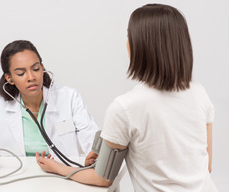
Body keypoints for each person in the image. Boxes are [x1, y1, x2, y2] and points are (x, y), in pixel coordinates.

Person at [36, 4, 218, 191]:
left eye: (129, 36)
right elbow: (206, 165)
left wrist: (56, 167)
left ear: (140, 46)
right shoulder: (200, 93)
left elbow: (103, 178)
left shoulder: (125, 107)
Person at [0, 40, 99, 169]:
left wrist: (93, 158)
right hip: (17, 176)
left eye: (35, 68)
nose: (31, 77)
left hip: (63, 175)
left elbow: (91, 138)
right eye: (21, 73)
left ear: (42, 68)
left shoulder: (69, 97)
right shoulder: (1, 105)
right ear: (9, 78)